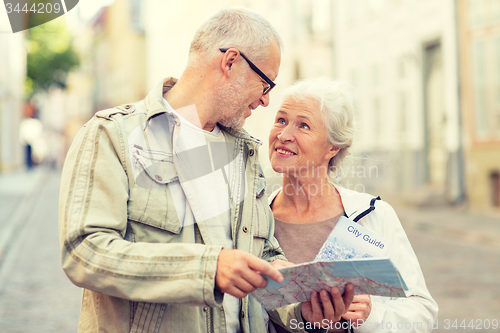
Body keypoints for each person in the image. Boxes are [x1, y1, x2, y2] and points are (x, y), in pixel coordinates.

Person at [59, 7, 288, 333]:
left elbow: (261, 252)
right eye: (266, 84)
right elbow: (84, 252)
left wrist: (301, 294)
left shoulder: (245, 153)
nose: (266, 101)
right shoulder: (112, 136)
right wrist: (207, 269)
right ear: (230, 62)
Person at [266, 77, 438, 333]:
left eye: (303, 125)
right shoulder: (254, 219)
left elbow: (423, 312)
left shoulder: (373, 215)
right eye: (281, 120)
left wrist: (370, 316)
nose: (284, 134)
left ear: (332, 147)